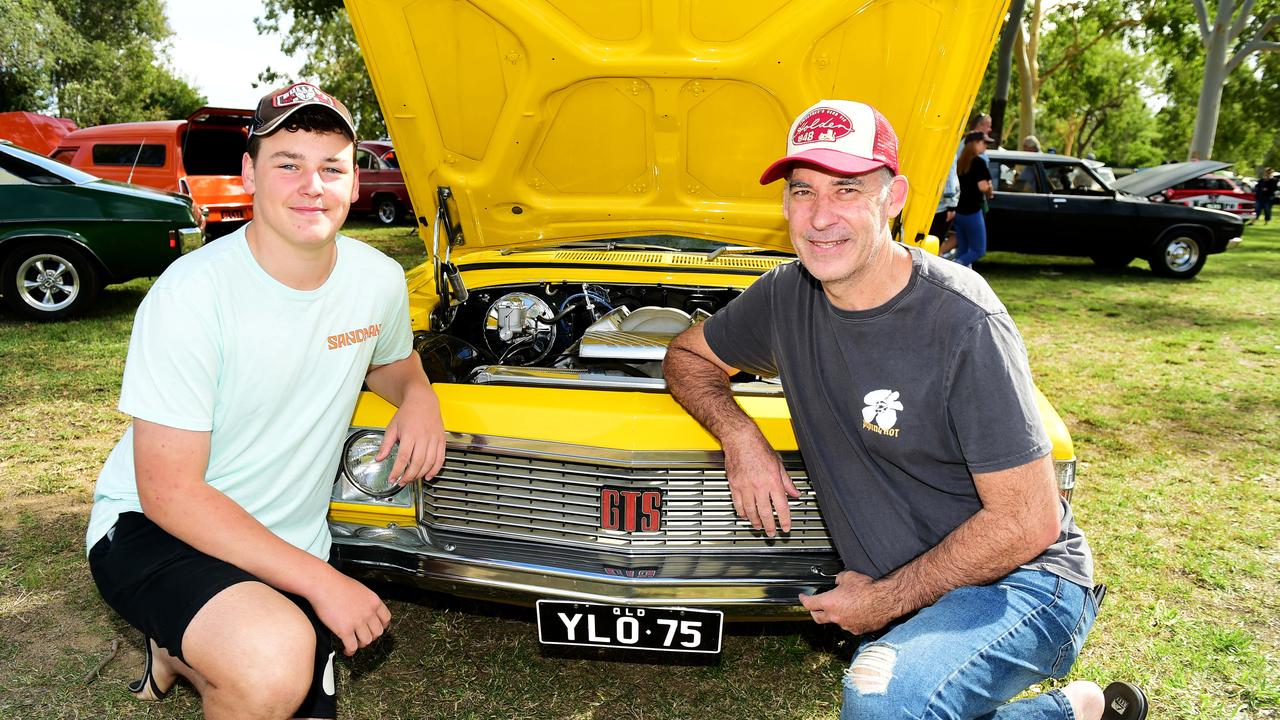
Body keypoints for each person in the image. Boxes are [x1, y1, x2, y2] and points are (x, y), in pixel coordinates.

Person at [663, 99, 1146, 720]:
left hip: (1026, 584)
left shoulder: (963, 319)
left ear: (895, 199)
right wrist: (741, 437)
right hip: (915, 592)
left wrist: (882, 602)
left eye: (847, 190)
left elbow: (1029, 521)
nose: (819, 217)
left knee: (880, 701)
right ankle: (1073, 713)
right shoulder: (786, 295)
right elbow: (687, 357)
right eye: (803, 191)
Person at [85, 82, 447, 719]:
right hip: (154, 525)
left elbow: (393, 362)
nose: (312, 185)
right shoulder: (192, 295)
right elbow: (169, 490)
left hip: (286, 537)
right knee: (272, 663)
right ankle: (197, 634)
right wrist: (324, 582)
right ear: (249, 172)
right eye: (288, 164)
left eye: (331, 166)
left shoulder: (378, 280)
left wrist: (419, 397)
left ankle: (182, 646)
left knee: (284, 664)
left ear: (356, 182)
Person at [953, 130, 993, 267]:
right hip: (972, 212)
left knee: (962, 249)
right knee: (978, 250)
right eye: (984, 143)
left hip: (958, 211)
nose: (985, 147)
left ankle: (958, 277)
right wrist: (989, 188)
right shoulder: (979, 162)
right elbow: (982, 187)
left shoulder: (960, 163)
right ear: (975, 143)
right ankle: (955, 266)